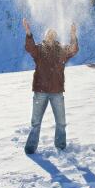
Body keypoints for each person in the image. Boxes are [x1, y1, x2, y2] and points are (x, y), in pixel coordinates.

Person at [22, 18, 79, 154]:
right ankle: (30, 148)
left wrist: (72, 35)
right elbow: (29, 48)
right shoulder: (39, 49)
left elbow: (73, 50)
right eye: (48, 34)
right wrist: (28, 33)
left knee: (61, 122)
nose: (50, 36)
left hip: (57, 92)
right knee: (36, 122)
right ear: (45, 36)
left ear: (55, 37)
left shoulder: (61, 50)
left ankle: (60, 146)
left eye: (53, 34)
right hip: (40, 91)